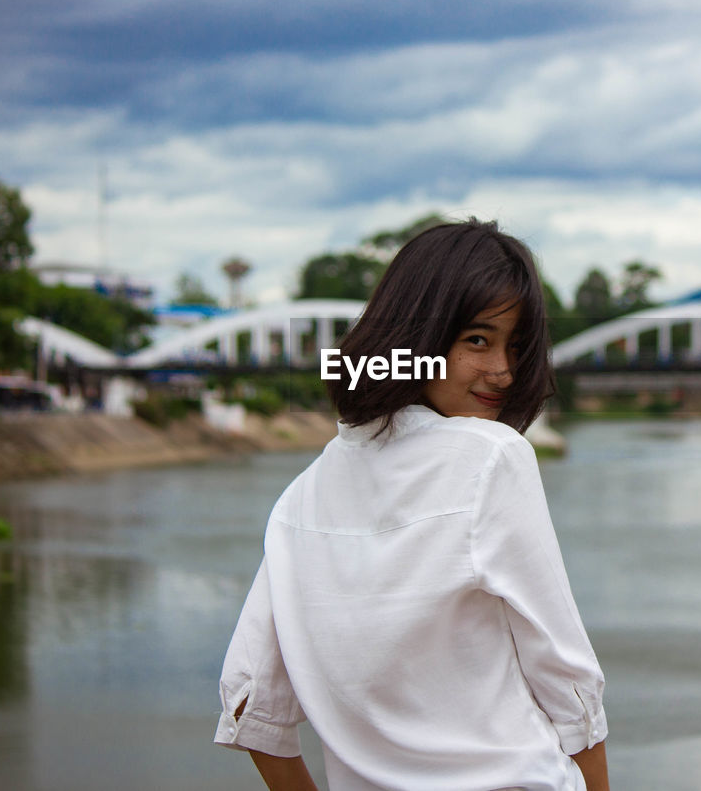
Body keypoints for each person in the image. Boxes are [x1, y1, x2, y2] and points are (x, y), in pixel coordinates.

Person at [214, 219, 609, 791]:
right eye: (478, 339)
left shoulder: (302, 493)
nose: (502, 370)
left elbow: (251, 705)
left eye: (516, 347)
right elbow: (570, 688)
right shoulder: (493, 456)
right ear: (418, 340)